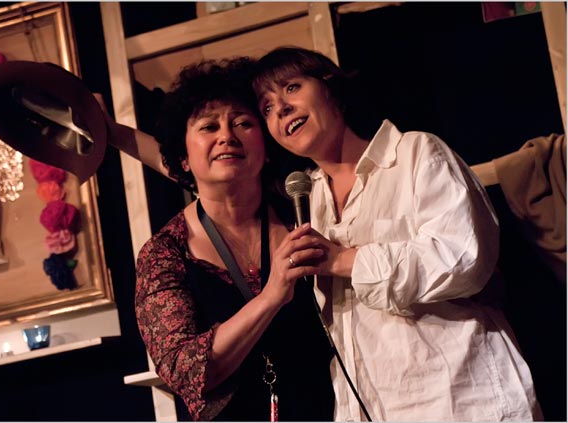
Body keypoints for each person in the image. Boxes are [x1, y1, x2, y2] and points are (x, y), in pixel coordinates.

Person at [250, 46, 542, 421]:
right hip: (375, 406)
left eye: (291, 88)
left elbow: (464, 257)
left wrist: (343, 260)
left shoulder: (415, 153)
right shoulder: (310, 199)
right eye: (267, 108)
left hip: (461, 399)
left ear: (330, 86)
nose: (281, 109)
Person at [134, 57, 334, 421]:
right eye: (209, 127)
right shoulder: (165, 252)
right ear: (182, 158)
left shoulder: (304, 208)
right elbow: (185, 371)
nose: (227, 136)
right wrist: (271, 296)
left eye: (243, 123)